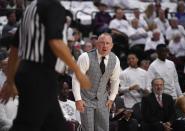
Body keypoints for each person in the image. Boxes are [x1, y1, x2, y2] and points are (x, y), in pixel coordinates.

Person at [0, 0, 91, 131]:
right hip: (40, 75)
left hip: (29, 73)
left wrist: (10, 81)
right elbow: (55, 41)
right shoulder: (53, 6)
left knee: (55, 125)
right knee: (26, 125)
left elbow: (15, 47)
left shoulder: (30, 8)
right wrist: (78, 71)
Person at [72, 33, 121, 131]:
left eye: (108, 43)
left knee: (103, 128)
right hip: (86, 99)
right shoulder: (85, 57)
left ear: (112, 46)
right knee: (88, 129)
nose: (105, 45)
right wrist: (78, 99)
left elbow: (115, 81)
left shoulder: (115, 59)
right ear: (97, 44)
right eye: (102, 43)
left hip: (103, 100)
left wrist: (111, 98)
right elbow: (76, 79)